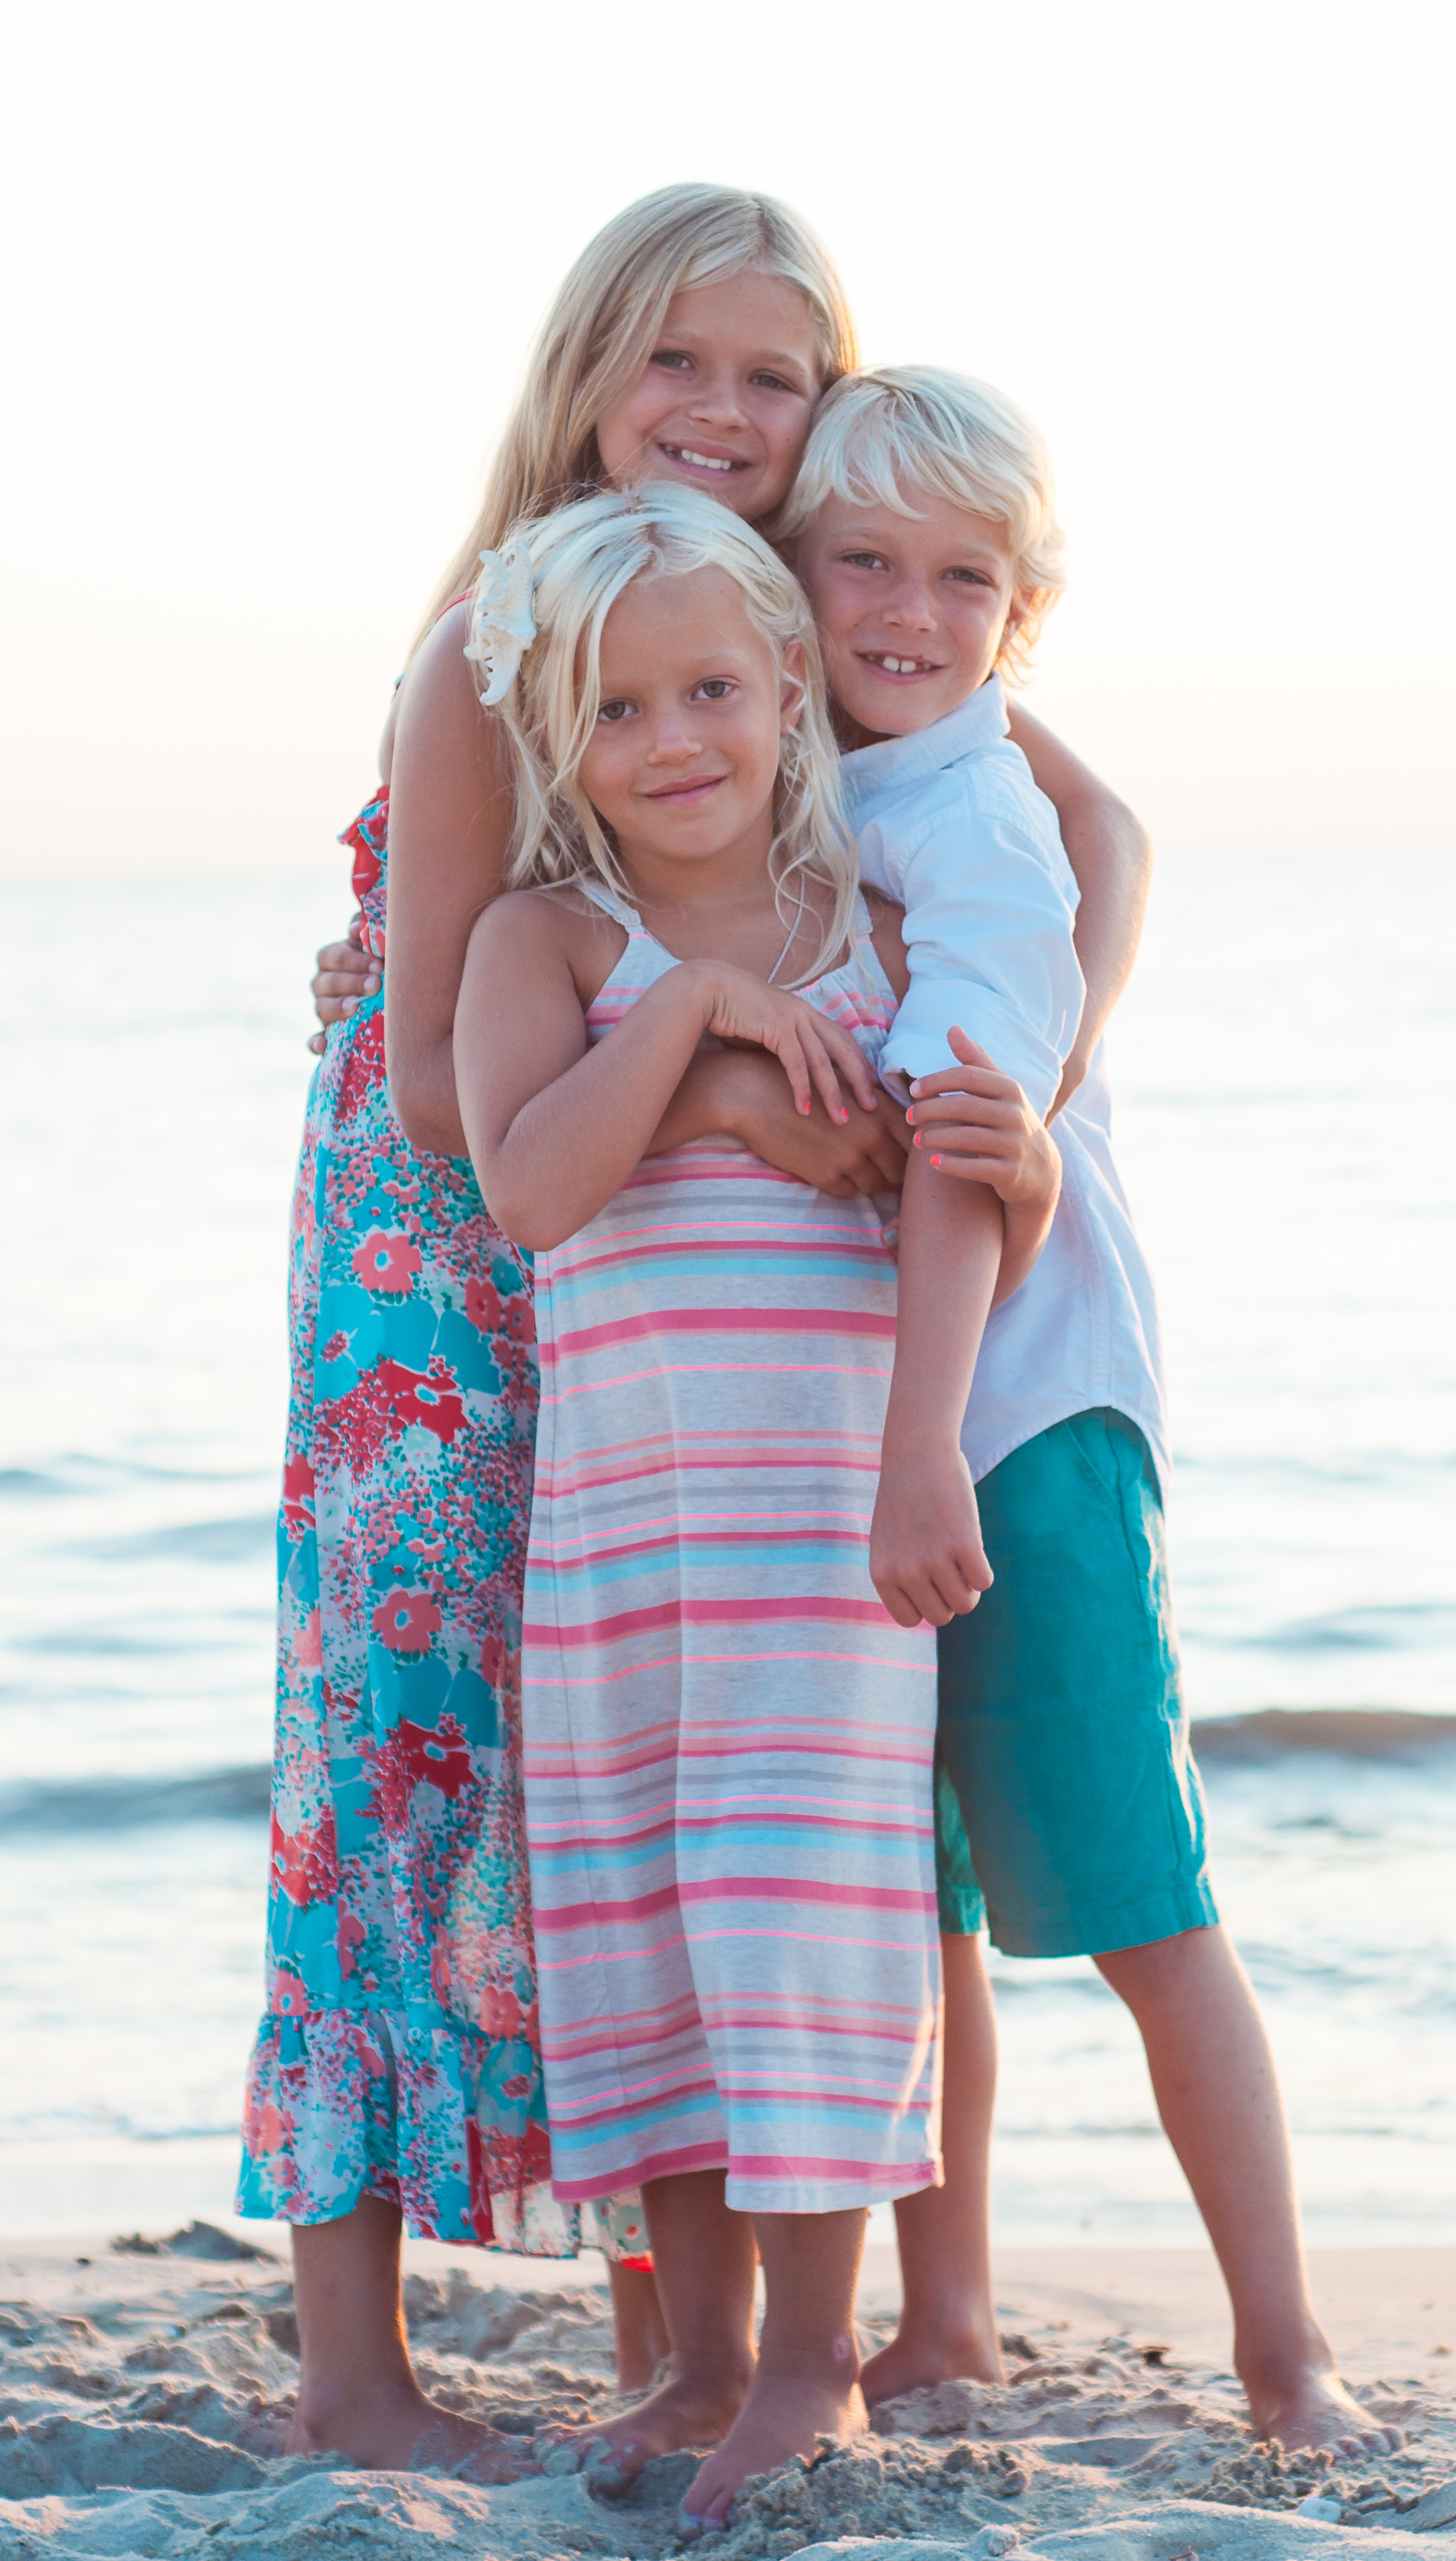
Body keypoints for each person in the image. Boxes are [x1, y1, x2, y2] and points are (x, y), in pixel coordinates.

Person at [242, 184, 881, 2471]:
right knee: (405, 1759)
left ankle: (679, 2344)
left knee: (606, 1764)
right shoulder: (487, 646)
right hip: (440, 1277)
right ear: (584, 372)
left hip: (627, 1276)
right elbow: (432, 1070)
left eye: (772, 375)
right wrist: (733, 1072)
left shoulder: (758, 637)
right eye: (674, 362)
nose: (718, 413)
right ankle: (349, 2374)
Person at [776, 367, 1399, 2458]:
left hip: (1015, 1420)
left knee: (1139, 1897)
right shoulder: (802, 765)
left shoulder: (978, 821)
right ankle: (942, 2318)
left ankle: (1286, 2352)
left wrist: (923, 1441)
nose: (905, 610)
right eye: (862, 561)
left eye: (961, 580)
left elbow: (969, 1143)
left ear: (1018, 616)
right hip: (885, 1423)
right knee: (912, 1891)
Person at [451, 485, 1059, 2528]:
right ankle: (697, 2356)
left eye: (712, 687)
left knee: (811, 1929)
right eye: (617, 711)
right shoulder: (542, 938)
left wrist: (927, 1448)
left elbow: (952, 1186)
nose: (674, 740)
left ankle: (814, 2365)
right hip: (625, 1543)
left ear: (791, 687)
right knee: (641, 1922)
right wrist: (702, 1024)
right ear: (558, 740)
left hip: (823, 1536)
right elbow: (525, 1187)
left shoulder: (878, 936)